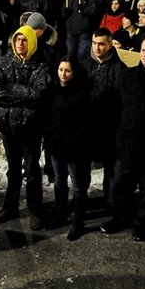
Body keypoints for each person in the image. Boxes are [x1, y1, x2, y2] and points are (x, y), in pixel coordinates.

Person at [101, 36, 145, 241]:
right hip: (126, 140)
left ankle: (142, 224)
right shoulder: (127, 75)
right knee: (120, 184)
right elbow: (116, 107)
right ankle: (119, 218)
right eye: (143, 50)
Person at [0, 25, 51, 231]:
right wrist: (25, 95)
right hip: (8, 126)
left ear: (31, 42)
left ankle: (35, 209)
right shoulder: (3, 62)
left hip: (31, 127)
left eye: (24, 40)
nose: (20, 43)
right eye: (17, 40)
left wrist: (12, 89)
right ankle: (10, 207)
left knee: (32, 169)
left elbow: (40, 95)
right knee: (13, 169)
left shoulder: (40, 65)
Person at [44, 56, 92, 240]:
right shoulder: (53, 90)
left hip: (75, 147)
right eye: (61, 70)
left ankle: (77, 222)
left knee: (78, 186)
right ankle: (60, 213)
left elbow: (84, 123)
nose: (63, 74)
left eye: (67, 71)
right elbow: (47, 115)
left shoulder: (81, 93)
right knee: (59, 181)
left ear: (74, 72)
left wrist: (73, 140)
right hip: (56, 145)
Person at [80, 28, 125, 203]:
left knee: (110, 168)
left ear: (110, 44)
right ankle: (81, 201)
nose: (97, 48)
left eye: (101, 44)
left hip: (108, 127)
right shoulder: (84, 65)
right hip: (87, 125)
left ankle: (111, 202)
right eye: (94, 43)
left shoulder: (119, 68)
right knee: (83, 168)